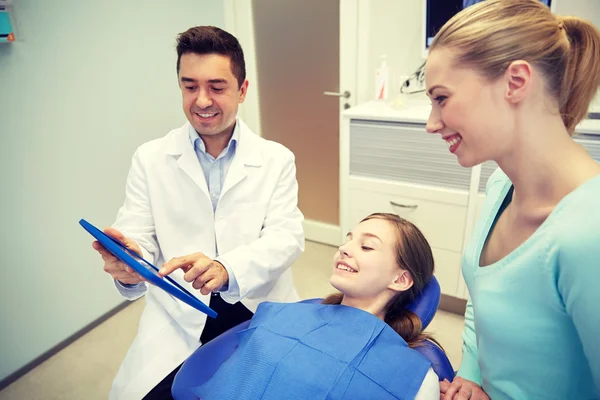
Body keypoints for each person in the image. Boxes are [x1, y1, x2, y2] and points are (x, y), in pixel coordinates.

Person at [92, 26, 304, 400]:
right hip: (179, 313)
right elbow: (136, 232)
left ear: (242, 90)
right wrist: (128, 263)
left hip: (258, 307)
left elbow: (286, 237)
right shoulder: (150, 157)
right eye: (190, 86)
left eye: (217, 87)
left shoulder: (276, 158)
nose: (201, 100)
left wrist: (228, 269)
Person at [424, 0, 600, 398]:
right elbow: (482, 296)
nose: (431, 123)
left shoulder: (589, 232)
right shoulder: (503, 185)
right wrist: (471, 372)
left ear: (516, 81)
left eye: (441, 98)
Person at [173, 213, 442, 400]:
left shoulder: (416, 378)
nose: (345, 249)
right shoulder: (279, 315)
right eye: (348, 239)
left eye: (367, 247)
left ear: (400, 279)